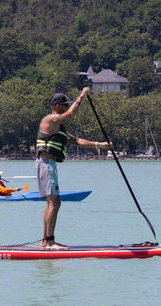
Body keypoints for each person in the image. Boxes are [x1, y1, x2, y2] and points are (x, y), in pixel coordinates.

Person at [35, 88, 110, 250]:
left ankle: (45, 241)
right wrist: (82, 96)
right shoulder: (50, 119)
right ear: (56, 106)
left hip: (49, 164)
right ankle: (50, 242)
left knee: (51, 203)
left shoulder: (58, 128)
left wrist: (99, 145)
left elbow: (77, 141)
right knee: (55, 202)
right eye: (64, 105)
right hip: (46, 163)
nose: (66, 108)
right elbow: (69, 115)